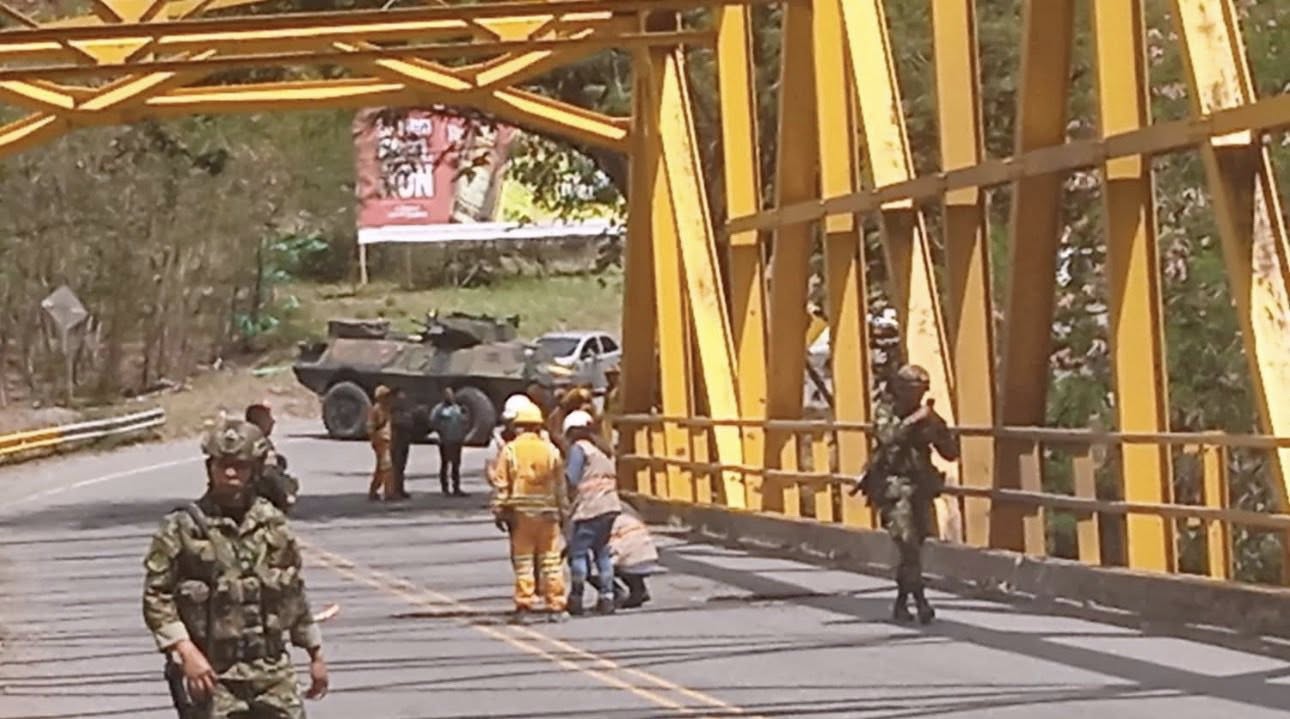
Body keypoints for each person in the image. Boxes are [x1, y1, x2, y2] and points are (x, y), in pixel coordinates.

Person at [143, 416, 329, 718]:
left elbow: (293, 592)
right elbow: (157, 596)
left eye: (239, 466)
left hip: (272, 671)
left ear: (254, 470)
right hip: (213, 672)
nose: (230, 473)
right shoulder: (183, 527)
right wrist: (185, 651)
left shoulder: (273, 523)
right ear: (210, 468)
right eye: (222, 465)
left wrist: (315, 653)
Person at [850, 364, 959, 624]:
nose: (918, 395)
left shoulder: (927, 416)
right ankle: (921, 602)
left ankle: (901, 603)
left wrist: (937, 429)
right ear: (900, 388)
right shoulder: (886, 411)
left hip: (919, 487)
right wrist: (914, 421)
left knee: (914, 548)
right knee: (907, 544)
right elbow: (887, 436)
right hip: (893, 486)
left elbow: (951, 453)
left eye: (922, 390)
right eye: (913, 389)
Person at [491, 401, 568, 622]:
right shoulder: (551, 451)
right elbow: (560, 485)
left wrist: (499, 509)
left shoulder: (510, 450)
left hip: (522, 515)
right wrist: (563, 512)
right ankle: (556, 605)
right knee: (551, 561)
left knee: (524, 561)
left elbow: (501, 484)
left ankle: (524, 604)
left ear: (519, 426)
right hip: (548, 514)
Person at [562, 409, 622, 616]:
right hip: (610, 506)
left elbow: (571, 478)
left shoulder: (579, 449)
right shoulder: (603, 449)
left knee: (578, 553)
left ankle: (576, 597)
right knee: (602, 553)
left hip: (589, 508)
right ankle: (607, 597)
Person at [245, 401, 300, 513]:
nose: (273, 421)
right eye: (268, 418)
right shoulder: (258, 442)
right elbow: (269, 473)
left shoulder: (253, 438)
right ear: (259, 420)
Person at [430, 387, 468, 496]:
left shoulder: (457, 408)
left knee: (456, 465)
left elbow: (464, 421)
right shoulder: (439, 409)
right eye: (447, 395)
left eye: (451, 394)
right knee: (445, 464)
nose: (450, 397)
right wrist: (439, 432)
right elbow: (433, 421)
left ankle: (456, 488)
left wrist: (465, 415)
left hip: (457, 440)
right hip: (445, 440)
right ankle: (445, 489)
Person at [388, 388, 421, 501]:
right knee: (396, 467)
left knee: (401, 467)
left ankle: (400, 489)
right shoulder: (393, 411)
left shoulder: (404, 411)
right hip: (396, 442)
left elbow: (410, 422)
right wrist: (407, 420)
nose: (403, 398)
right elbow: (399, 422)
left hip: (404, 441)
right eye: (400, 396)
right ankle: (394, 491)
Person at [367, 385, 395, 501]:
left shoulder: (387, 409)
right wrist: (375, 441)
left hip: (388, 440)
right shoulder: (376, 410)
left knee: (382, 469)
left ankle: (375, 490)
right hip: (381, 442)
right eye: (385, 396)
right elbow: (370, 428)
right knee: (387, 467)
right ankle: (388, 493)